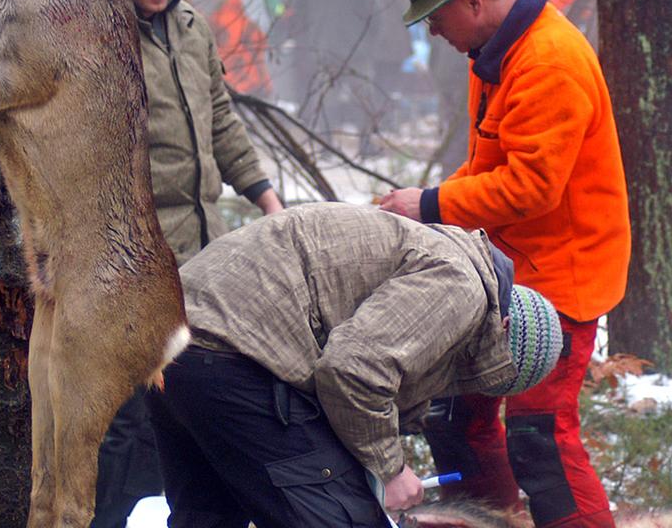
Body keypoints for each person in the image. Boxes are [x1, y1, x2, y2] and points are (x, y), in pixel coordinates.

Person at [378, 0, 631, 528]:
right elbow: (488, 166)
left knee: (540, 437)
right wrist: (423, 211)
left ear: (472, 0)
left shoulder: (548, 62)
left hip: (563, 276)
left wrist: (430, 205)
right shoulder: (490, 53)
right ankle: (495, 521)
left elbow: (533, 189)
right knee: (458, 420)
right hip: (507, 271)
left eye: (436, 15)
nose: (433, 30)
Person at [146, 202, 564, 528]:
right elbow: (352, 371)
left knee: (208, 519)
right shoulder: (462, 287)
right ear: (503, 327)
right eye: (491, 374)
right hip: (233, 345)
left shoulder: (446, 260)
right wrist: (391, 470)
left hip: (175, 333)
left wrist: (378, 471)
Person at [93, 0, 285, 528]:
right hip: (133, 254)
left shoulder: (194, 27)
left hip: (205, 248)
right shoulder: (96, 36)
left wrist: (265, 198)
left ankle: (189, 511)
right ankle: (123, 517)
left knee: (195, 399)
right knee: (133, 415)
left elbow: (221, 120)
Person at [269, 0, 395, 139]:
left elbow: (287, 4)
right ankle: (366, 144)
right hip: (357, 47)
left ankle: (327, 144)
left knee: (326, 97)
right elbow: (375, 10)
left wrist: (302, 35)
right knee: (363, 97)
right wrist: (373, 41)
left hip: (321, 46)